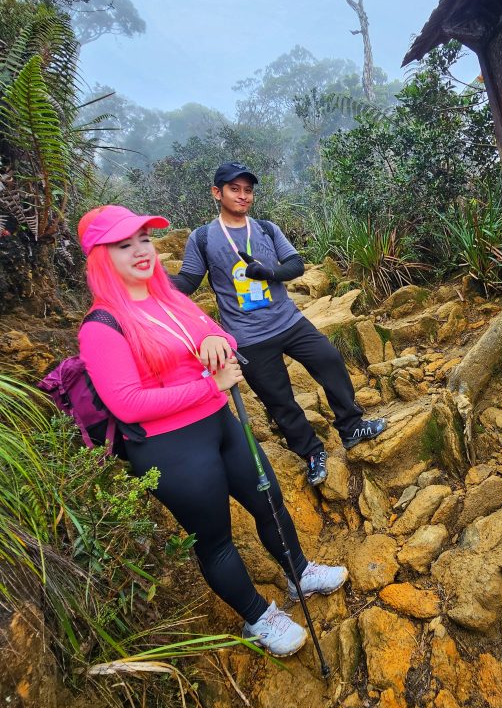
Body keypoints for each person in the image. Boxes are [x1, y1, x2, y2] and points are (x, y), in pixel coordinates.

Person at [77, 204, 348, 658]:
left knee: (269, 500)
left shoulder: (169, 297)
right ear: (102, 258)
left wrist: (216, 339)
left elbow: (217, 332)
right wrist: (209, 384)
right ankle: (258, 616)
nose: (141, 251)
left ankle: (299, 572)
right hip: (171, 449)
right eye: (125, 245)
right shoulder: (101, 326)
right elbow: (126, 403)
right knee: (215, 538)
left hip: (221, 423)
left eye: (144, 239)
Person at [170, 162, 387, 487]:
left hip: (289, 321)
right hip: (247, 336)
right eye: (234, 189)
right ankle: (312, 452)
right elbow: (187, 281)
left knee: (329, 360)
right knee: (279, 400)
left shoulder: (266, 229)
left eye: (248, 190)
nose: (243, 196)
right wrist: (150, 281)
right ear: (217, 193)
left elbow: (295, 265)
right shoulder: (202, 238)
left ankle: (351, 426)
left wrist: (267, 272)